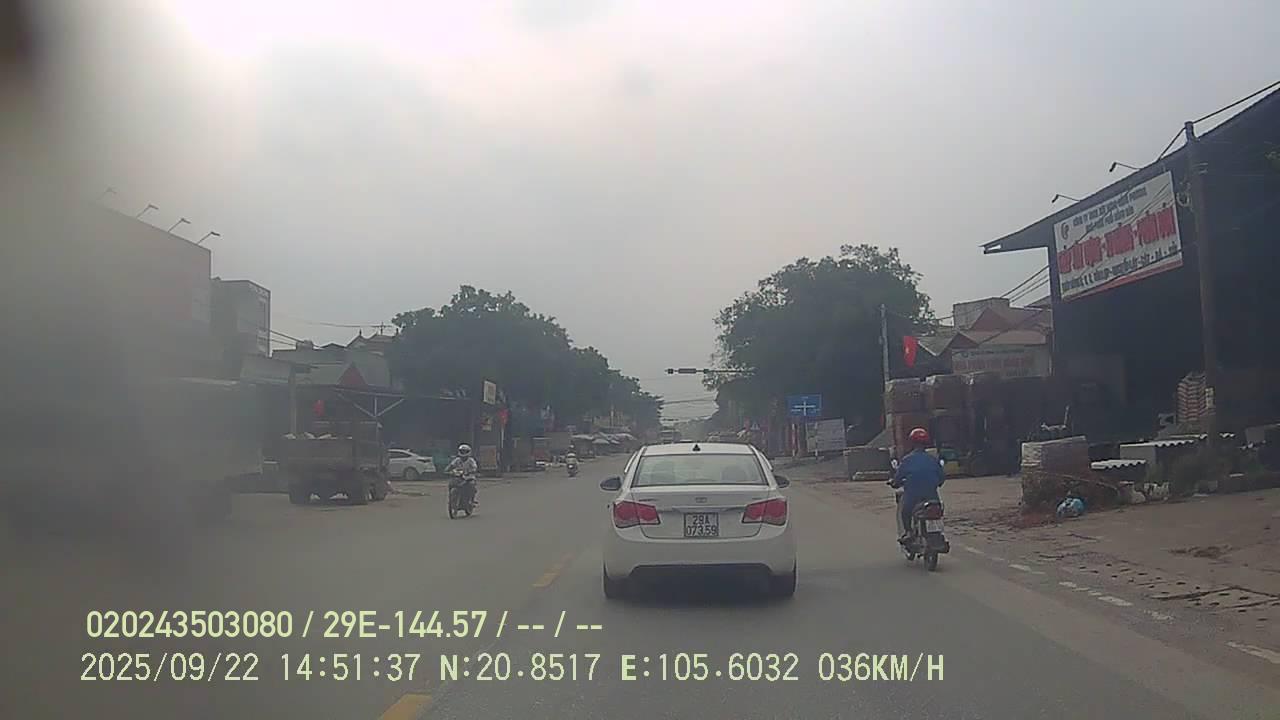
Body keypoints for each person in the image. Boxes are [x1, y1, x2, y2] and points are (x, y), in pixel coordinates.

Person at [892, 427, 944, 543]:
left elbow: (898, 478)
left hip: (913, 496)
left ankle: (909, 532)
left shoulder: (907, 460)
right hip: (932, 496)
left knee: (905, 512)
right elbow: (941, 478)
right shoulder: (932, 459)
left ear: (912, 443)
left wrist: (894, 483)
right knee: (938, 510)